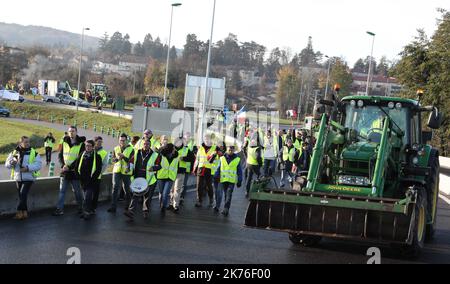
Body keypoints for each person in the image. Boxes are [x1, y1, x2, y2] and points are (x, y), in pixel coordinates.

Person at [5, 136, 42, 220]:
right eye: (25, 142)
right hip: (18, 178)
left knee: (23, 194)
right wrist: (12, 162)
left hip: (29, 177)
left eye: (28, 142)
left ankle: (18, 212)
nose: (28, 143)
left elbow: (38, 165)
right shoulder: (14, 152)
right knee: (22, 196)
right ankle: (24, 213)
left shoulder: (34, 152)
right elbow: (7, 165)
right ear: (20, 143)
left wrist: (27, 168)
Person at [125, 139, 161, 221]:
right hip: (138, 177)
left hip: (150, 179)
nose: (146, 145)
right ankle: (131, 212)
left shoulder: (155, 155)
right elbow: (131, 162)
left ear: (150, 145)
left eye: (148, 144)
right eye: (144, 144)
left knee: (147, 197)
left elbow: (159, 166)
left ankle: (145, 211)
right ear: (142, 144)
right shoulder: (137, 152)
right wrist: (128, 168)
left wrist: (154, 168)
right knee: (135, 194)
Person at [53, 126, 86, 216]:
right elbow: (60, 155)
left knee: (77, 192)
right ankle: (59, 209)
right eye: (70, 131)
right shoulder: (64, 142)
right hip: (64, 171)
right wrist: (63, 165)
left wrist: (70, 167)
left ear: (76, 132)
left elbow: (80, 159)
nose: (71, 133)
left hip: (74, 172)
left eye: (73, 131)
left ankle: (81, 208)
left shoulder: (81, 144)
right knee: (62, 191)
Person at [213, 145, 243, 217]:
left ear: (234, 151)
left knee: (228, 195)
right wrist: (216, 176)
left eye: (231, 150)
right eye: (229, 150)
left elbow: (240, 171)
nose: (230, 152)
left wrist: (239, 180)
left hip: (231, 181)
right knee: (219, 193)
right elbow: (218, 168)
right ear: (227, 150)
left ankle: (226, 208)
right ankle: (217, 206)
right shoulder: (222, 158)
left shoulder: (237, 160)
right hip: (222, 179)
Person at [108, 134, 134, 214]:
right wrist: (117, 158)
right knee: (115, 188)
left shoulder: (131, 149)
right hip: (117, 171)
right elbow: (112, 160)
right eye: (120, 140)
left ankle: (127, 207)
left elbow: (132, 161)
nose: (121, 142)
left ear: (126, 140)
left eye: (123, 140)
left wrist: (124, 157)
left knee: (127, 189)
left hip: (126, 172)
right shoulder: (116, 148)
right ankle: (113, 207)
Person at [77, 140, 103, 220]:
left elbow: (98, 170)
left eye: (89, 146)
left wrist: (92, 180)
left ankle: (86, 212)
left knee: (88, 197)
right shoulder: (82, 155)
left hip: (92, 181)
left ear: (93, 147)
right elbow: (76, 166)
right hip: (83, 180)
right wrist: (79, 178)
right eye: (86, 146)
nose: (87, 147)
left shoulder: (97, 156)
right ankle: (87, 210)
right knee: (85, 197)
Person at [157, 135, 179, 213]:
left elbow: (177, 166)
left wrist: (175, 175)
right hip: (161, 176)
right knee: (161, 192)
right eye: (173, 149)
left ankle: (163, 207)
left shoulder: (176, 156)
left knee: (165, 193)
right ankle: (161, 205)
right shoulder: (161, 154)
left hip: (170, 177)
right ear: (169, 150)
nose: (174, 150)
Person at [194, 134, 217, 208]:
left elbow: (217, 160)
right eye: (205, 139)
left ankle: (211, 199)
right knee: (199, 186)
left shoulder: (214, 148)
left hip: (209, 170)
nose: (206, 140)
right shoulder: (200, 148)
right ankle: (199, 201)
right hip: (200, 169)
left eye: (208, 138)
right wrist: (194, 168)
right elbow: (197, 159)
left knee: (208, 186)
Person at [92, 136, 109, 213]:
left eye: (100, 142)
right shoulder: (90, 150)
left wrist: (99, 173)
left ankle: (93, 207)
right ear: (94, 142)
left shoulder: (104, 152)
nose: (99, 143)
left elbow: (105, 165)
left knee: (95, 193)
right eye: (98, 141)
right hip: (88, 176)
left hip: (97, 176)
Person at [179, 132, 196, 204]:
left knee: (184, 184)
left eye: (188, 137)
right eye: (186, 137)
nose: (187, 138)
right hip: (178, 167)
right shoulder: (180, 145)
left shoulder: (192, 145)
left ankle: (181, 197)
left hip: (187, 167)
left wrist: (193, 169)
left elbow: (193, 158)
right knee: (177, 183)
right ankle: (175, 197)